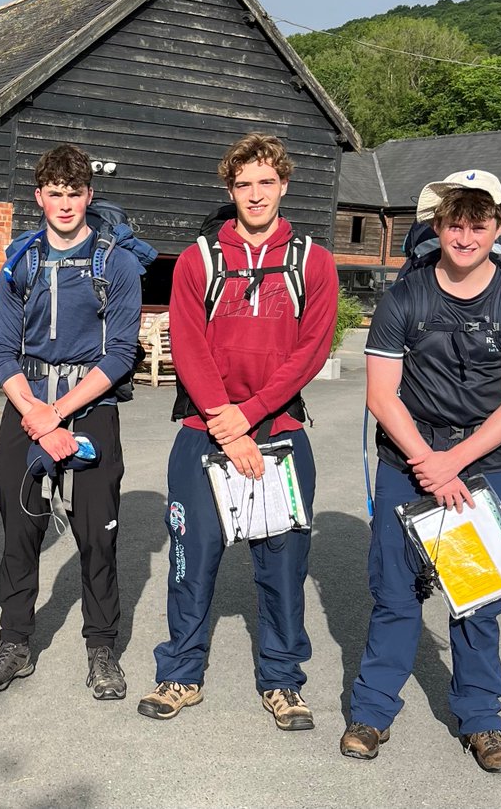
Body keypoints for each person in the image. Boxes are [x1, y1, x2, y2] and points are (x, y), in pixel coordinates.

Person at [340, 170, 501, 773]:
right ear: (438, 225)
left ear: (497, 228)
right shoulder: (404, 298)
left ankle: (482, 721)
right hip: (408, 459)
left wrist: (451, 463)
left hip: (482, 465)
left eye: (478, 224)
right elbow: (382, 395)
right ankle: (372, 713)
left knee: (477, 598)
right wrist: (428, 463)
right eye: (455, 224)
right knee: (395, 594)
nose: (465, 236)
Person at [138, 133, 337, 728]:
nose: (255, 194)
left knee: (282, 565)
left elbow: (311, 349)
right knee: (191, 559)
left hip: (279, 432)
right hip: (203, 428)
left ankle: (282, 681)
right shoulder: (198, 259)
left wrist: (249, 417)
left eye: (266, 182)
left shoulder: (313, 260)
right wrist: (228, 425)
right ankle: (181, 674)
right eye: (243, 184)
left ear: (284, 185)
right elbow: (188, 345)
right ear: (230, 188)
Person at [0, 144, 142, 700]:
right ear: (39, 196)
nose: (65, 204)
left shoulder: (115, 263)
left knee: (97, 536)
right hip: (27, 405)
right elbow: (2, 353)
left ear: (89, 196)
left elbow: (120, 353)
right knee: (21, 533)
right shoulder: (19, 262)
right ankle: (14, 642)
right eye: (55, 193)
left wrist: (59, 413)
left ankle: (102, 649)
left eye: (75, 193)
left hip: (90, 406)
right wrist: (37, 416)